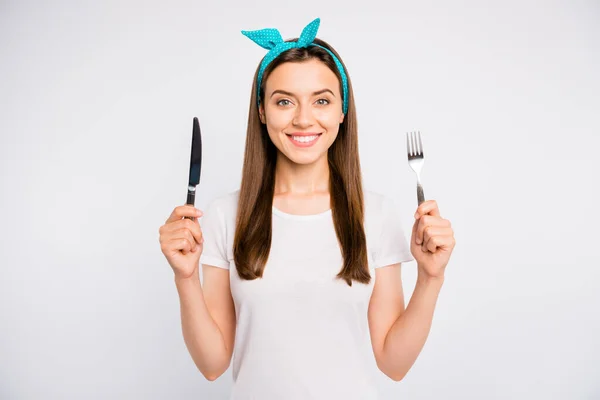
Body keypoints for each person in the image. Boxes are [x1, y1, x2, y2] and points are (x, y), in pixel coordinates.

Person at [158, 17, 456, 400]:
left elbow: (394, 364)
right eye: (284, 101)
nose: (303, 118)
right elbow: (213, 364)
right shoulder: (223, 216)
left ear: (342, 111)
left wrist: (431, 278)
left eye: (321, 100)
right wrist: (185, 277)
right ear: (262, 112)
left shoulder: (376, 215)